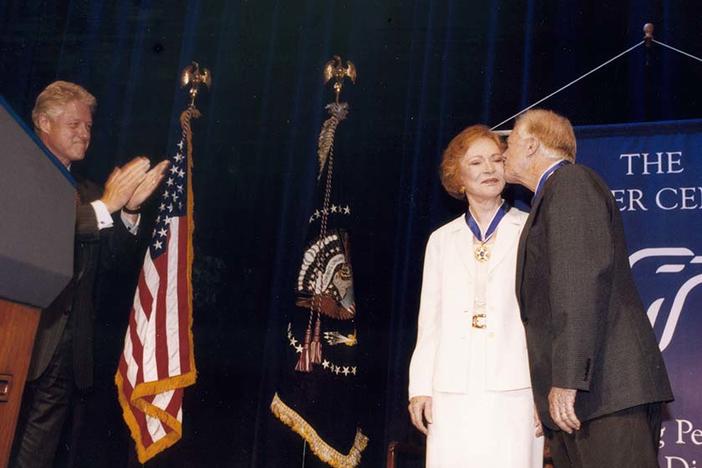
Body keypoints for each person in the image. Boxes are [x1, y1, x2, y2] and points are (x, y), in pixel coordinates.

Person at [503, 108, 673, 467]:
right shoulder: (553, 194)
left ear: (531, 145)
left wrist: (567, 380)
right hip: (590, 395)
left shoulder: (570, 183)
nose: (503, 151)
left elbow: (578, 284)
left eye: (510, 140)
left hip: (604, 391)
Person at [10, 81, 169, 468]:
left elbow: (112, 262)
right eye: (75, 125)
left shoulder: (89, 191)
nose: (85, 134)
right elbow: (41, 227)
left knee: (39, 454)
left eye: (89, 127)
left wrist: (129, 210)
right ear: (44, 123)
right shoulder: (16, 170)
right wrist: (106, 206)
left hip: (65, 349)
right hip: (17, 340)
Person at [408, 125, 543, 467]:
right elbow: (431, 321)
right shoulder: (442, 240)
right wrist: (420, 386)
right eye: (477, 162)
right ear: (457, 177)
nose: (489, 169)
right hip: (452, 390)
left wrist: (544, 389)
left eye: (497, 160)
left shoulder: (532, 229)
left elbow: (545, 319)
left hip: (515, 387)